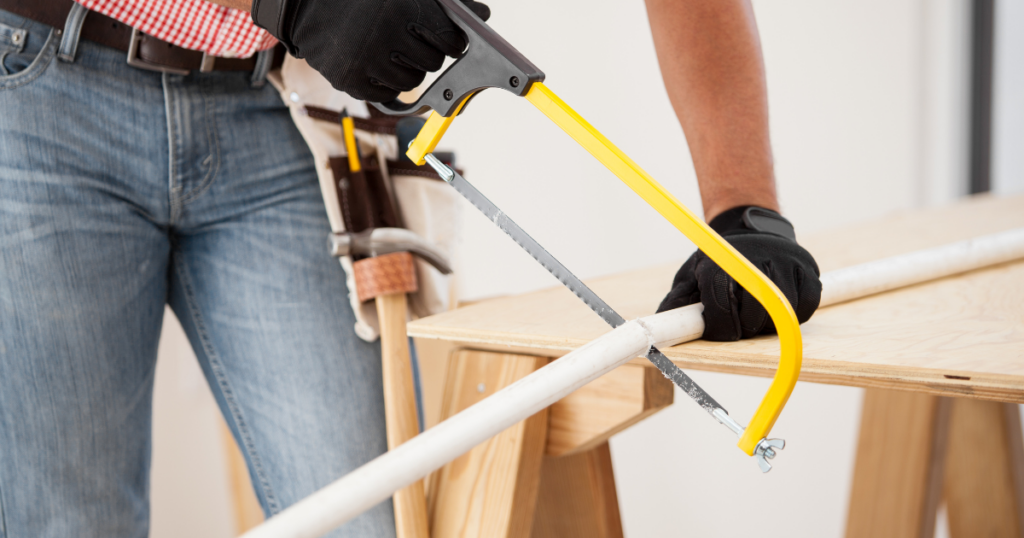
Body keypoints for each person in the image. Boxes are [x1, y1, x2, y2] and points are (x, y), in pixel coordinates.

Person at [0, 0, 820, 537]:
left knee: (368, 518)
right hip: (43, 91)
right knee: (64, 523)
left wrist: (742, 210)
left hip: (293, 106)